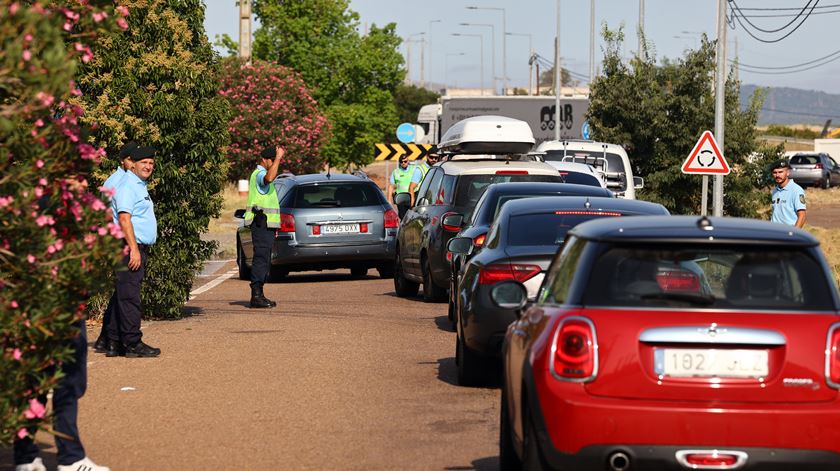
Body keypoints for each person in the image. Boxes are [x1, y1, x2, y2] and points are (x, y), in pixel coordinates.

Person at [14, 320, 110, 471]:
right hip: (65, 309)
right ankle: (71, 457)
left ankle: (26, 457)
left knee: (35, 378)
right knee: (69, 378)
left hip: (32, 309)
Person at [106, 145, 161, 357]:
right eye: (144, 163)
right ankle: (133, 343)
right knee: (130, 297)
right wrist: (134, 250)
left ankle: (115, 341)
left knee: (123, 294)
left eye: (151, 163)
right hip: (129, 246)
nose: (148, 167)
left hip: (132, 246)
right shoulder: (129, 186)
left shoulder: (138, 184)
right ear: (133, 164)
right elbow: (124, 218)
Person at [93, 141, 137, 353]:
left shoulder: (120, 179)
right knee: (124, 290)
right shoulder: (120, 180)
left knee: (120, 289)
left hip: (116, 236)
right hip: (119, 238)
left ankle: (106, 337)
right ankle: (111, 338)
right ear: (124, 160)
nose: (133, 162)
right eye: (131, 159)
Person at [244, 145, 285, 308]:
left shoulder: (261, 173)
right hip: (260, 223)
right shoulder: (259, 174)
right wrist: (279, 158)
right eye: (272, 160)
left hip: (265, 224)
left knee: (264, 258)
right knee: (261, 258)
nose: (275, 164)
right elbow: (269, 178)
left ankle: (259, 294)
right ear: (266, 160)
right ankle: (256, 296)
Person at [770, 159, 806, 228]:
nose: (777, 175)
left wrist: (794, 234)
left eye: (780, 172)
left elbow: (802, 216)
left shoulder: (796, 190)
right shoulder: (775, 191)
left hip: (787, 234)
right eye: (775, 172)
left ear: (788, 173)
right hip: (774, 233)